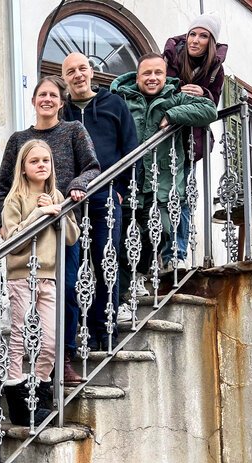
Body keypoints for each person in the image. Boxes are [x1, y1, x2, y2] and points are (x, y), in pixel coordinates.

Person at [0, 75, 99, 374]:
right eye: (42, 94)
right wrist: (5, 223)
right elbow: (3, 185)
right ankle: (21, 380)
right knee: (23, 318)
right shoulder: (18, 140)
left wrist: (74, 189)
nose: (47, 100)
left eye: (53, 95)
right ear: (34, 100)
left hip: (61, 219)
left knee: (66, 291)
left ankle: (62, 359)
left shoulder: (73, 130)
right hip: (27, 232)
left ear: (61, 101)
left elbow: (92, 167)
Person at [110, 53, 217, 316]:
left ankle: (141, 271)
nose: (152, 78)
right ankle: (128, 287)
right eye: (147, 73)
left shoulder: (175, 95)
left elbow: (209, 111)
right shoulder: (121, 99)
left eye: (158, 73)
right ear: (137, 77)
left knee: (161, 231)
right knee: (126, 239)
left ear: (165, 75)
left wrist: (173, 113)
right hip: (131, 184)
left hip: (165, 183)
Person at [61, 52, 140, 350]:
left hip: (106, 197)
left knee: (106, 262)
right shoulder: (62, 111)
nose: (78, 75)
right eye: (71, 72)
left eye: (83, 69)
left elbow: (131, 150)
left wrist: (121, 189)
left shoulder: (114, 104)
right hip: (71, 201)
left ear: (92, 72)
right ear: (65, 77)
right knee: (77, 266)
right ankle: (82, 329)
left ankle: (105, 331)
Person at [2, 139, 80, 426]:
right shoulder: (15, 199)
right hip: (22, 276)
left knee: (50, 341)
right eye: (34, 161)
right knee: (20, 338)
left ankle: (39, 392)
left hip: (49, 277)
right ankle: (17, 399)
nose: (41, 166)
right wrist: (37, 214)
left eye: (45, 161)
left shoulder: (56, 194)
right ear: (23, 168)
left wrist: (59, 210)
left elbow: (71, 236)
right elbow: (11, 242)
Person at [163, 14, 227, 270]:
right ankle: (162, 255)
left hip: (191, 142)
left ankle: (177, 254)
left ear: (211, 41)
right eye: (193, 34)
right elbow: (161, 89)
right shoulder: (171, 57)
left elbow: (213, 106)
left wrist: (205, 92)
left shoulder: (215, 70)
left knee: (184, 198)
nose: (196, 40)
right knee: (162, 196)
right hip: (166, 138)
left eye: (203, 36)